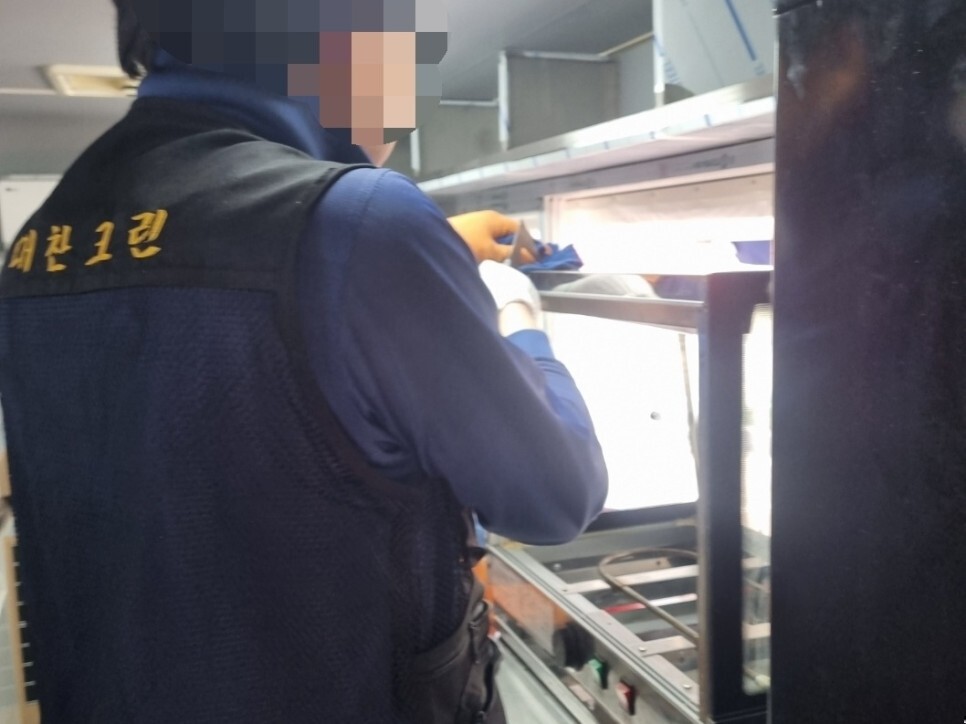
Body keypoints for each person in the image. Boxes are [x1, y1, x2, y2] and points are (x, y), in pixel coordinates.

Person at [0, 1, 608, 722]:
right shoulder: (363, 222)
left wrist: (417, 255)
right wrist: (518, 314)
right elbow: (556, 496)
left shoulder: (38, 243)